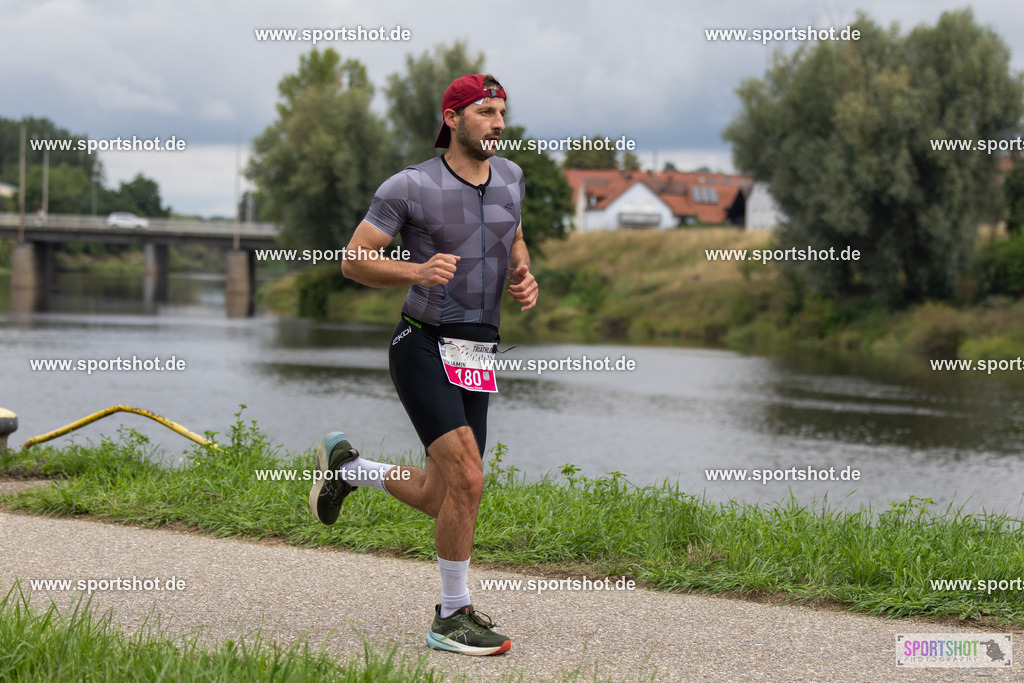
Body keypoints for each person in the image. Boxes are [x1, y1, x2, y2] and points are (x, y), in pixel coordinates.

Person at [307, 73, 537, 656]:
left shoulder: (512, 177)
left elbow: (512, 236)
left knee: (446, 495)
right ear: (453, 118)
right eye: (486, 112)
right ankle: (452, 616)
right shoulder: (409, 186)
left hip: (478, 352)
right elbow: (354, 261)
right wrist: (415, 271)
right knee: (469, 478)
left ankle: (348, 468)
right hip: (423, 343)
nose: (499, 123)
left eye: (503, 113)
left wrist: (522, 274)